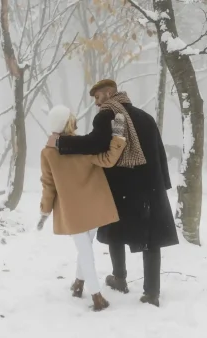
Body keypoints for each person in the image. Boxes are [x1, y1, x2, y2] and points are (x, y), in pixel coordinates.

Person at [46, 80, 179, 307]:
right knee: (150, 240)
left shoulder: (107, 115)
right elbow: (160, 153)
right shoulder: (145, 117)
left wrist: (61, 142)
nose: (97, 104)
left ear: (109, 94)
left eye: (98, 98)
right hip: (149, 187)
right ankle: (152, 292)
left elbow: (94, 144)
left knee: (115, 232)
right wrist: (162, 185)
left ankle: (119, 278)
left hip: (121, 187)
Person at [37, 104, 127, 312]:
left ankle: (79, 284)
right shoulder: (81, 145)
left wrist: (44, 210)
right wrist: (118, 137)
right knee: (85, 250)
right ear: (68, 122)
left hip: (72, 209)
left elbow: (48, 184)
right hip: (94, 204)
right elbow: (108, 159)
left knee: (84, 249)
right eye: (72, 118)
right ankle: (96, 296)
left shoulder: (48, 152)